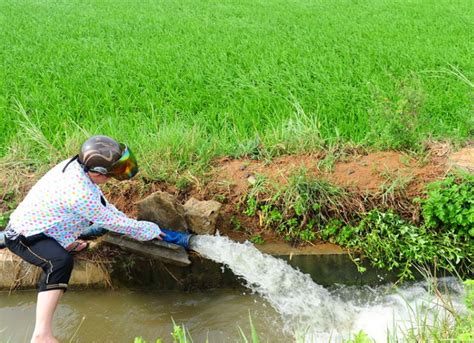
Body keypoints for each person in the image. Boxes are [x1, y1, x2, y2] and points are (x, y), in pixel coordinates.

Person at [4, 135, 166, 343]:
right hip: (23, 237)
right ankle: (41, 335)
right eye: (112, 172)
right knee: (60, 262)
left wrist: (133, 223)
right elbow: (111, 221)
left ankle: (63, 243)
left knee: (73, 232)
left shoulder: (74, 166)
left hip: (47, 229)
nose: (113, 177)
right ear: (97, 172)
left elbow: (102, 205)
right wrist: (148, 230)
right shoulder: (79, 194)